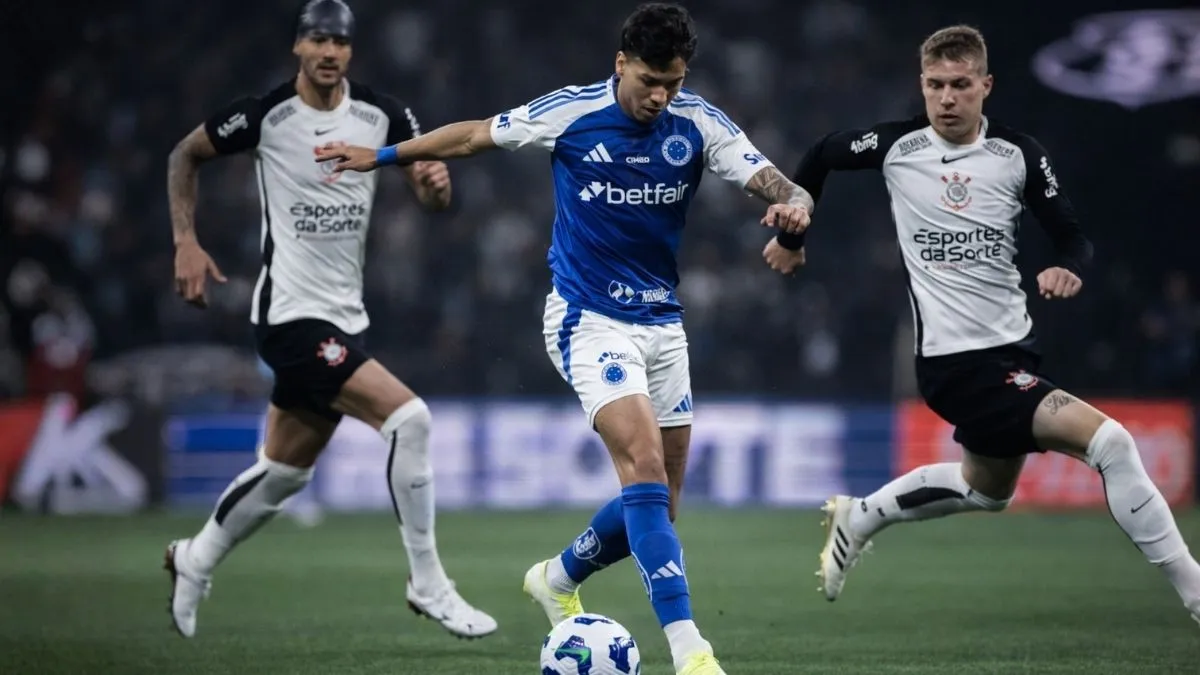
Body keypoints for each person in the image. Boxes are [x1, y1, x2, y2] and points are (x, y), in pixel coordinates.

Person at [315, 4, 812, 672]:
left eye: (671, 82)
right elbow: (471, 138)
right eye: (648, 82)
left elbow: (776, 181)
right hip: (587, 318)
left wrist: (793, 211)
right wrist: (379, 155)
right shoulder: (572, 112)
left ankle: (555, 576)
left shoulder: (696, 123)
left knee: (661, 502)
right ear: (620, 64)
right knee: (640, 469)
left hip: (663, 325)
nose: (659, 96)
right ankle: (690, 650)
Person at [763, 25, 1200, 627]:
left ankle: (861, 515)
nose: (946, 98)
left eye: (960, 85)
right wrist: (793, 234)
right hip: (954, 363)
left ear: (985, 86)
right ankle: (1196, 594)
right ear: (922, 85)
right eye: (935, 85)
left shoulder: (1018, 156)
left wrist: (1066, 267)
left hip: (1014, 353)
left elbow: (1073, 236)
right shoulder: (895, 147)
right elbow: (820, 156)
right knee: (1112, 443)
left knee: (987, 491)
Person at [163, 0, 497, 640]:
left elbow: (431, 195)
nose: (328, 51)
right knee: (410, 419)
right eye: (316, 39)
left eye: (338, 42)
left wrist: (434, 185)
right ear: (297, 46)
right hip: (290, 316)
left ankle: (194, 558)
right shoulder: (266, 116)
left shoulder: (383, 116)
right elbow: (184, 155)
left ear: (350, 50)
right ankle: (428, 584)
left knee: (285, 471)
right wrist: (185, 240)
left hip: (345, 317)